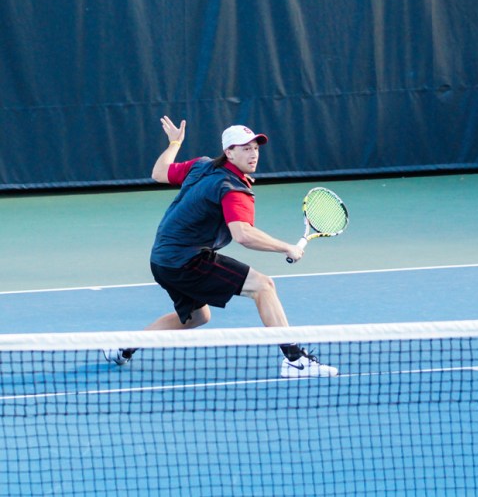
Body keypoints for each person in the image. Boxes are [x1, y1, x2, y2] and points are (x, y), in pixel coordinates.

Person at [103, 116, 338, 378]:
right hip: (185, 260)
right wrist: (287, 248)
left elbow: (159, 172)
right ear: (229, 152)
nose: (253, 154)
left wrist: (174, 144)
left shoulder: (202, 165)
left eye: (256, 148)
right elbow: (244, 235)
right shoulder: (232, 188)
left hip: (162, 260)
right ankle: (295, 360)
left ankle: (123, 347)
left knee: (197, 317)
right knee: (263, 286)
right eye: (245, 148)